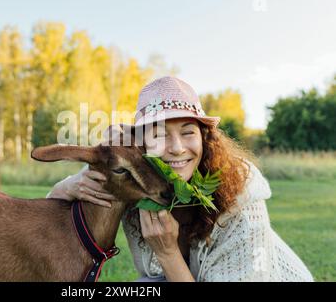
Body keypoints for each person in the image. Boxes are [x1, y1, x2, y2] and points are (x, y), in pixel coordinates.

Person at [46, 76, 313, 282]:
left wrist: (167, 252)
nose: (176, 148)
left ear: (204, 138)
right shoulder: (135, 174)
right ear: (141, 145)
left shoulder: (242, 192)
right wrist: (67, 186)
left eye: (188, 133)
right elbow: (53, 210)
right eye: (160, 134)